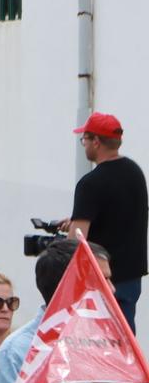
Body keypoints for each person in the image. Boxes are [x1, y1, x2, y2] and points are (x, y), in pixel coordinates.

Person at [0, 237, 109, 383]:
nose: (112, 289)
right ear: (72, 286)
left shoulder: (110, 344)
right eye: (103, 280)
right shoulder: (17, 353)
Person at [65, 112, 146, 328]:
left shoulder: (90, 183)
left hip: (101, 282)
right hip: (131, 280)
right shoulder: (135, 173)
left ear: (96, 142)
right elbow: (121, 213)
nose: (84, 145)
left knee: (98, 347)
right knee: (124, 344)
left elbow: (76, 240)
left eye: (85, 139)